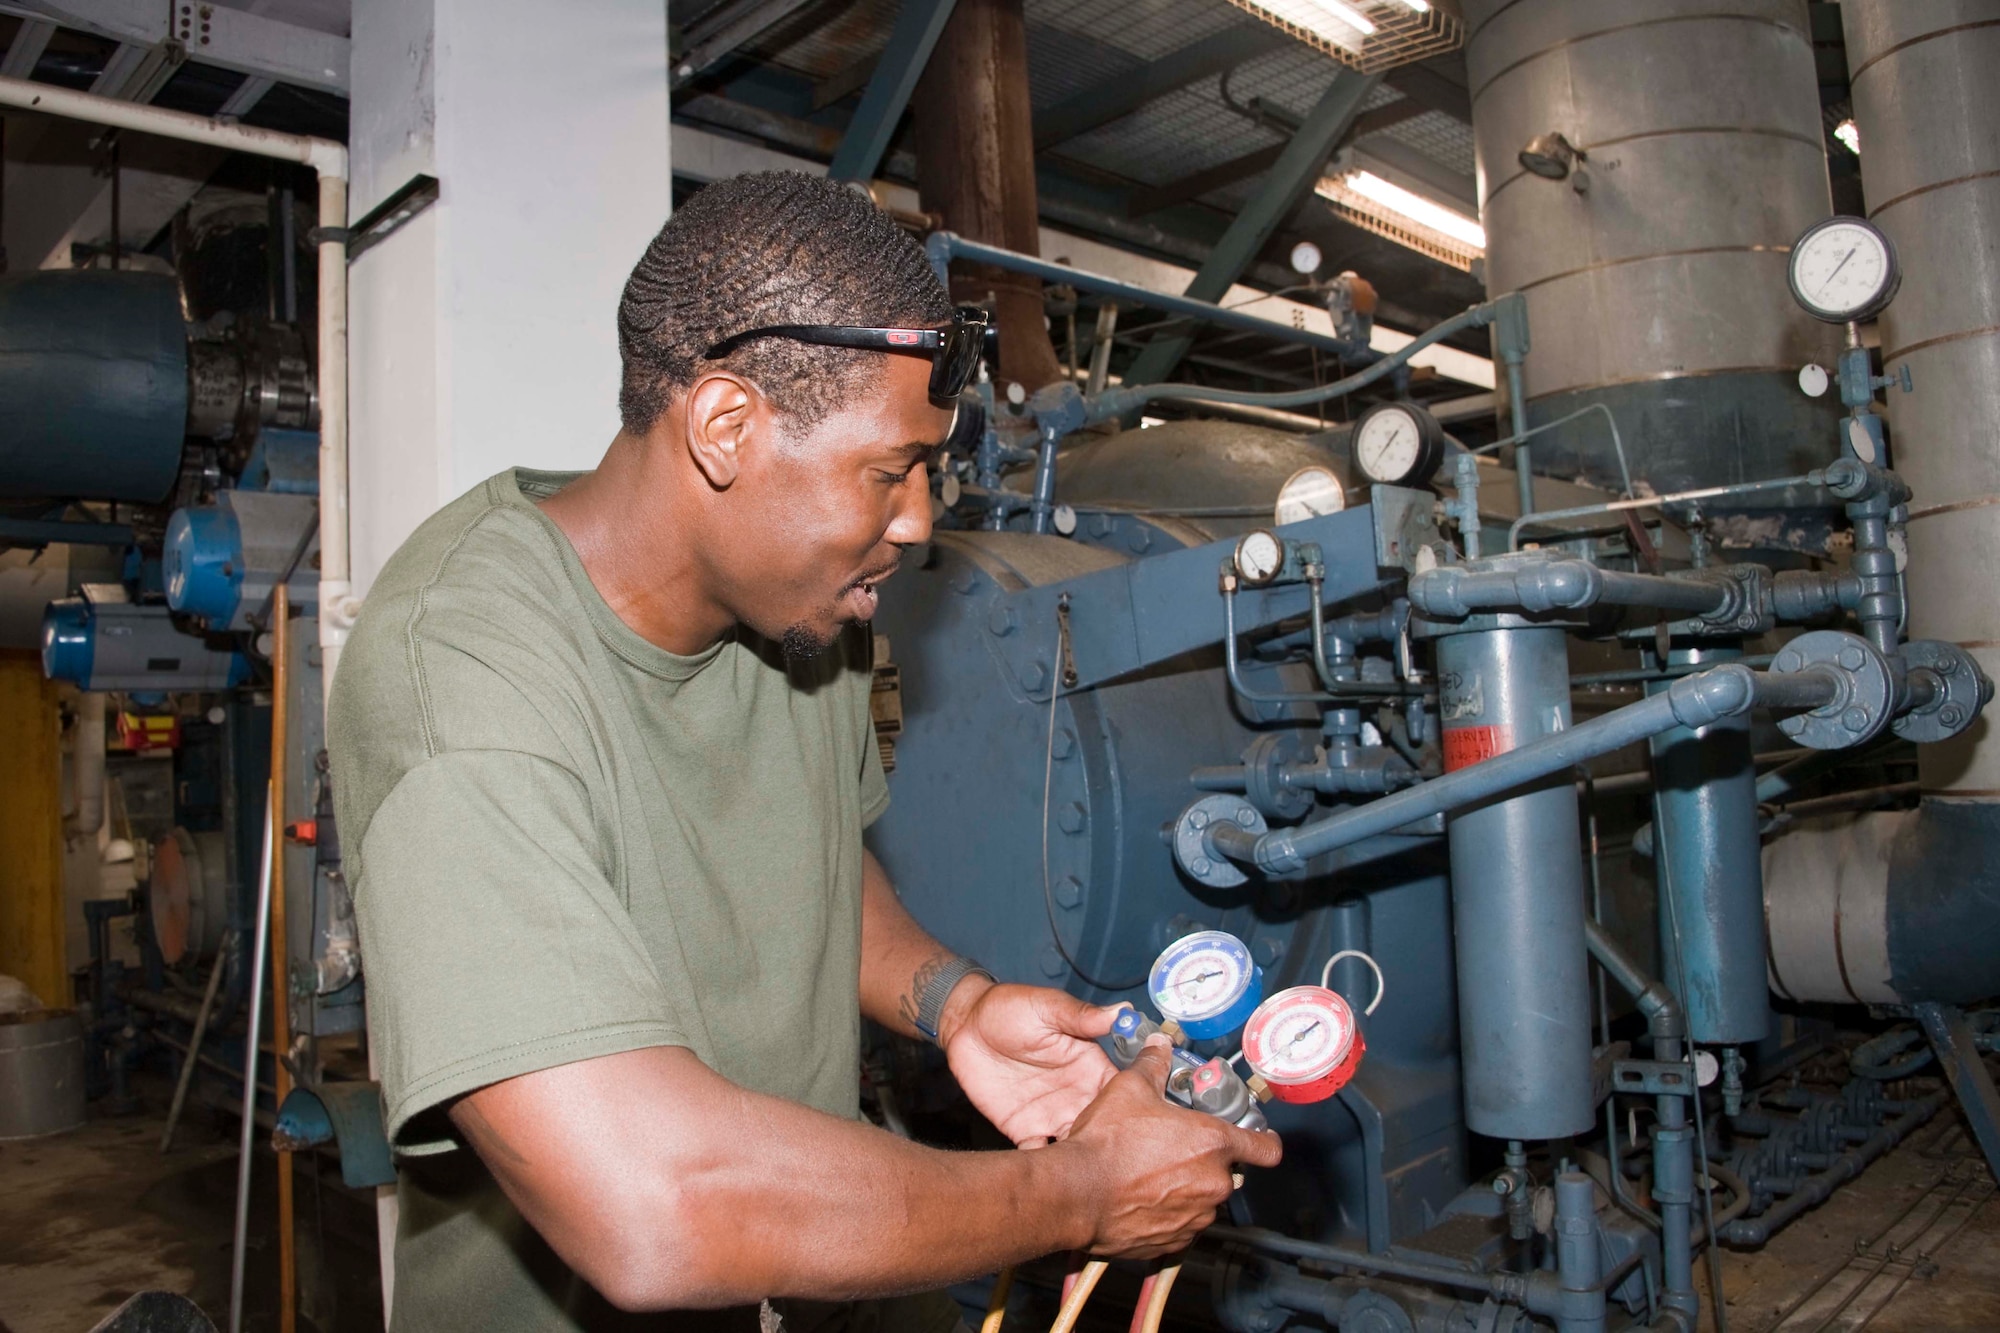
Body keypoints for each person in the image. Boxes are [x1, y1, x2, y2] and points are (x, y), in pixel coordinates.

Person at [328, 170, 1280, 1332]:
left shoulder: (801, 608)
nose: (921, 518)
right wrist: (1075, 1193)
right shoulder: (462, 684)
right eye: (889, 471)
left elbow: (815, 867)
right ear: (727, 427)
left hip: (811, 1283)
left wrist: (957, 1005)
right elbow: (650, 1205)